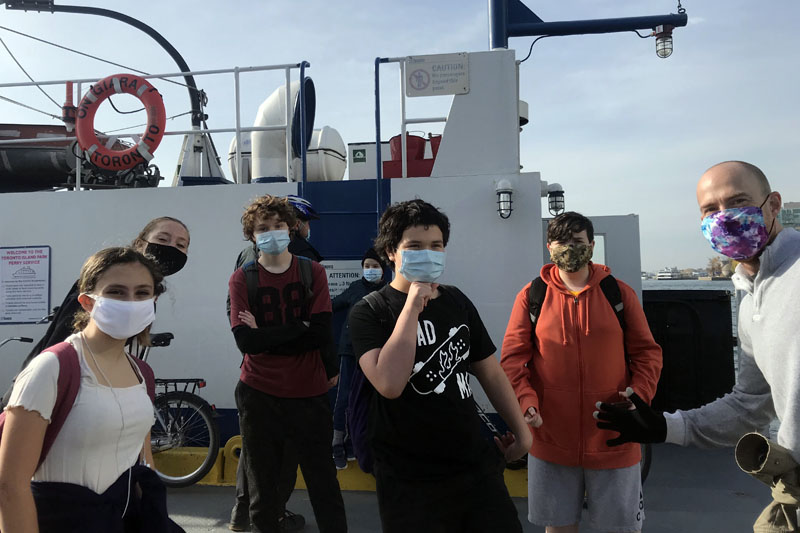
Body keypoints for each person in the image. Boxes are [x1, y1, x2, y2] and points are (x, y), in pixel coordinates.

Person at [595, 161, 800, 532]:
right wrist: (665, 427)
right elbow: (749, 405)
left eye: (738, 202)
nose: (724, 217)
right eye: (710, 210)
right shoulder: (751, 300)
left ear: (773, 205)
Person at [348, 199, 531, 533]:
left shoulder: (456, 301)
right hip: (409, 478)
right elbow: (389, 384)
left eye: (436, 246)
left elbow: (488, 370)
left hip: (473, 465)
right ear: (392, 251)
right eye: (414, 246)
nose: (427, 253)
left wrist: (522, 432)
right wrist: (412, 307)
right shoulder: (369, 311)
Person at [500, 211, 662, 533]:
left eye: (578, 241)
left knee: (619, 528)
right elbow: (513, 358)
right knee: (558, 528)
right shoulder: (532, 296)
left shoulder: (619, 294)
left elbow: (647, 354)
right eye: (562, 242)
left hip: (614, 436)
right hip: (549, 439)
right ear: (549, 247)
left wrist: (638, 398)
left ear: (591, 245)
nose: (570, 248)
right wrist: (526, 400)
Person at [0, 247, 182, 532]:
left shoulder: (142, 373)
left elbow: (141, 459)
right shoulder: (52, 368)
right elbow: (10, 485)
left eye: (142, 293)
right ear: (87, 301)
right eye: (117, 292)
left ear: (153, 300)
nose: (131, 302)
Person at [228, 194, 346, 533]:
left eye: (278, 225)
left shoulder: (313, 272)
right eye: (263, 228)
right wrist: (298, 329)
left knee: (323, 483)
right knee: (263, 490)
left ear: (291, 228)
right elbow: (245, 342)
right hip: (257, 394)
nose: (272, 232)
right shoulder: (242, 279)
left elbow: (321, 334)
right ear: (252, 236)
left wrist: (264, 332)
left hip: (308, 394)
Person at [330, 247, 386, 469]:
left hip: (374, 354)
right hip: (350, 351)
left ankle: (354, 440)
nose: (370, 270)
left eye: (375, 266)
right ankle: (336, 442)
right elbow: (333, 305)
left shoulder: (388, 292)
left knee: (365, 399)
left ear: (383, 269)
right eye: (367, 266)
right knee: (343, 397)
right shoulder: (355, 288)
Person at [287, 195, 323, 262]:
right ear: (297, 224)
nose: (309, 228)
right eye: (308, 223)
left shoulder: (266, 251)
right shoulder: (305, 255)